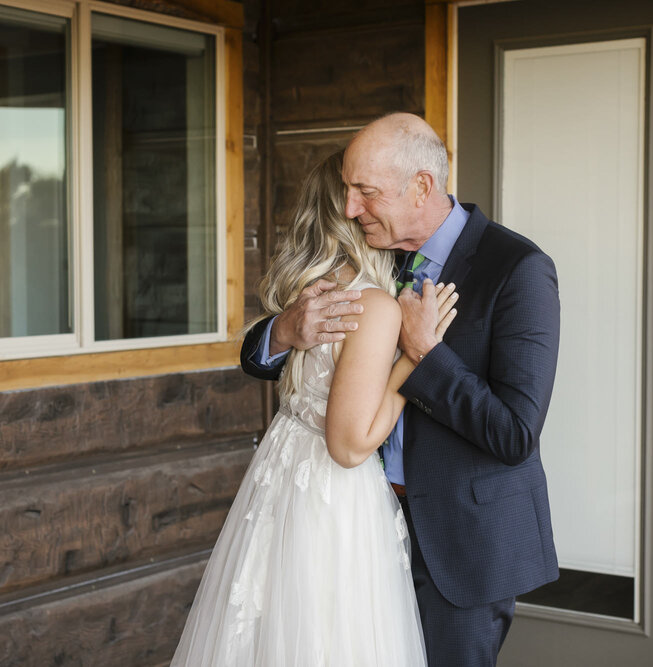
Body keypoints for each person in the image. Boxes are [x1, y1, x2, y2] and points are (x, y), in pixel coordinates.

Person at [240, 112, 561, 666]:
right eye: (346, 190)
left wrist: (427, 355)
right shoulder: (372, 255)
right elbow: (270, 360)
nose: (349, 209)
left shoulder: (518, 269)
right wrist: (285, 331)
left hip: (461, 542)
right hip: (359, 527)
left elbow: (514, 433)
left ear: (421, 187)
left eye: (365, 192)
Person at [172, 151, 457, 666]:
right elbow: (349, 447)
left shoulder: (309, 289)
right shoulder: (372, 305)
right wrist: (414, 358)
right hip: (333, 493)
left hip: (283, 478)